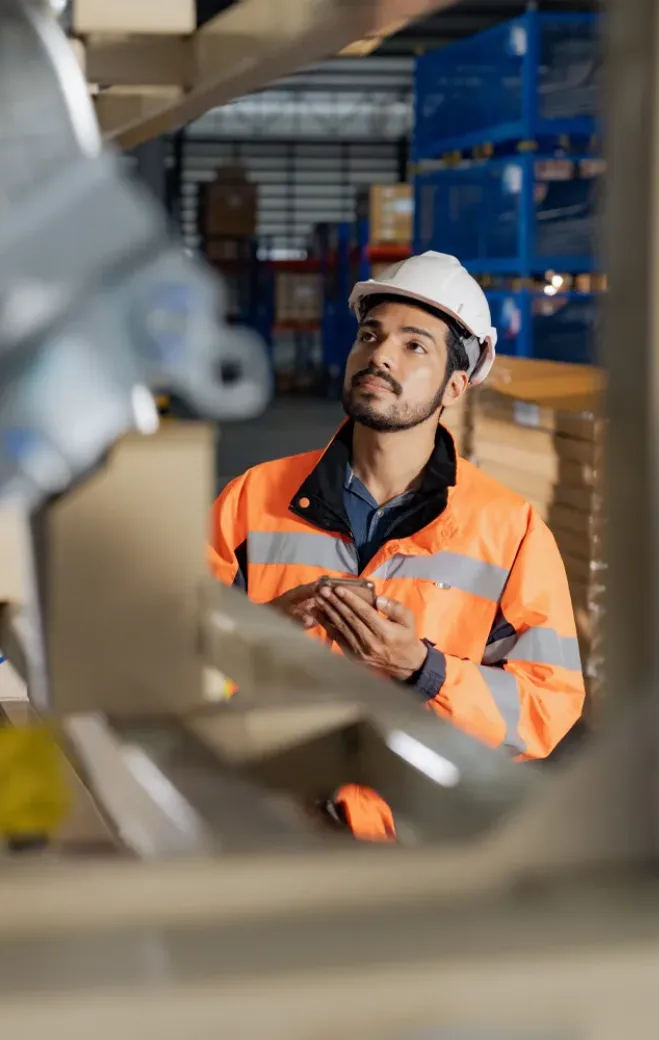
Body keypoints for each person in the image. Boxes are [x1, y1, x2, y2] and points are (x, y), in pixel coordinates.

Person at [209, 251, 586, 840]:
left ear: (456, 385)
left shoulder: (510, 531)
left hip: (417, 850)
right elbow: (174, 664)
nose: (380, 354)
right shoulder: (252, 500)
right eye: (370, 334)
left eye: (415, 346)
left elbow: (547, 707)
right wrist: (260, 640)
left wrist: (424, 669)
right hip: (266, 830)